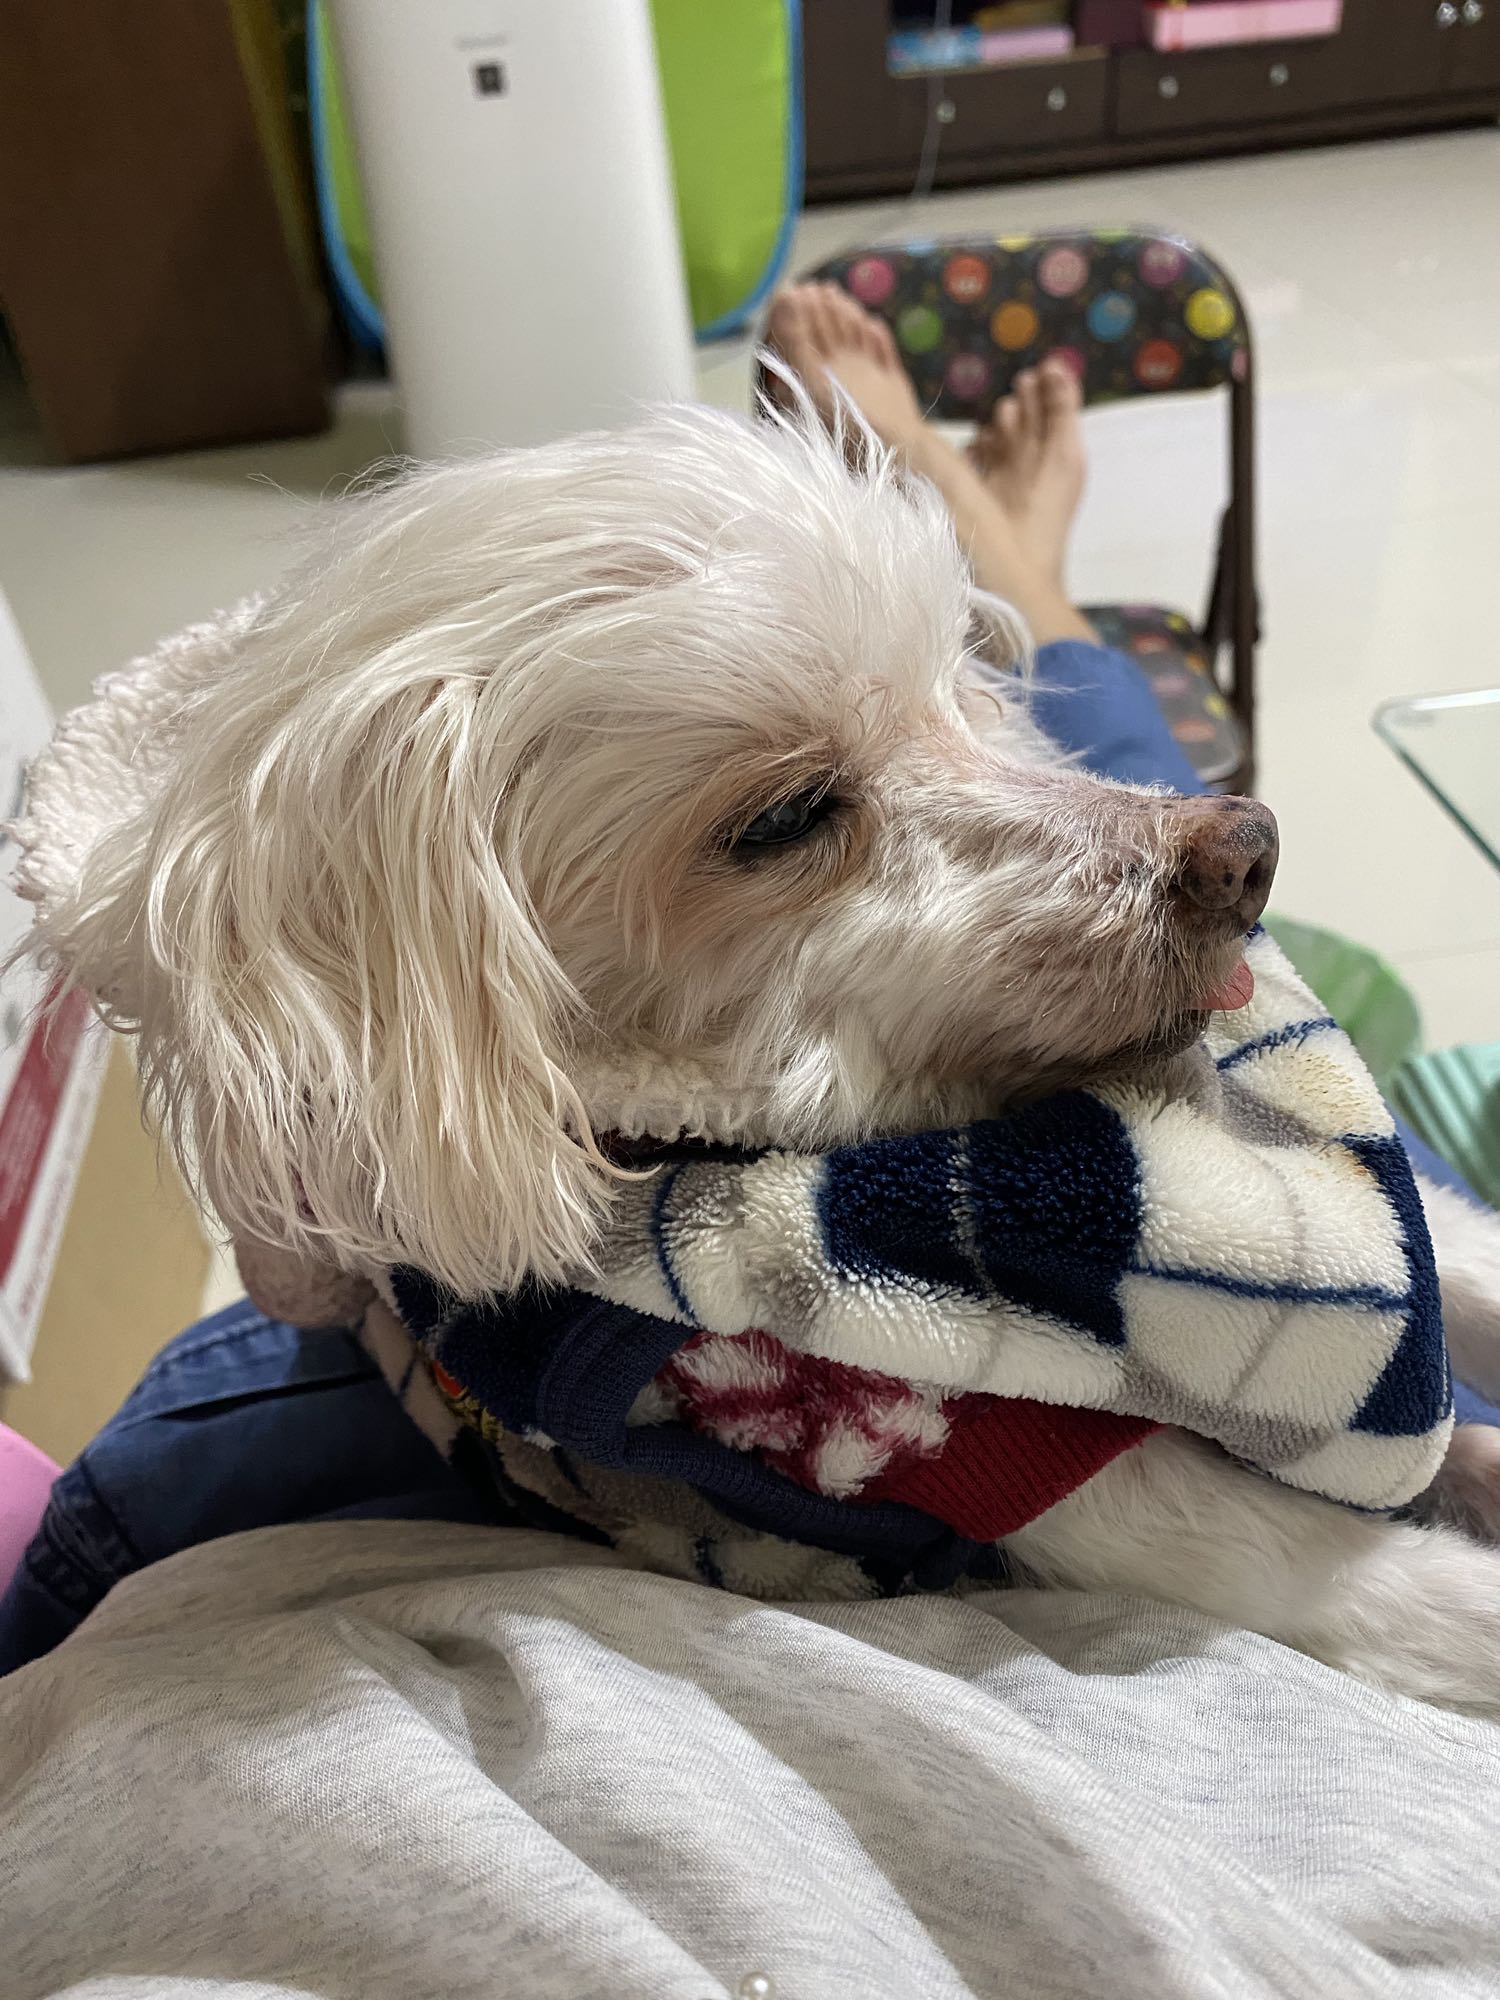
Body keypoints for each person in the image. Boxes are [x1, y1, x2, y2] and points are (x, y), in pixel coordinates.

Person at [2, 285, 1494, 1681]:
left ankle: (1007, 571)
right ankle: (1020, 569)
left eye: (965, 682)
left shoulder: (131, 1530)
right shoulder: (709, 1332)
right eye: (792, 819)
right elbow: (1346, 1599)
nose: (1208, 854)